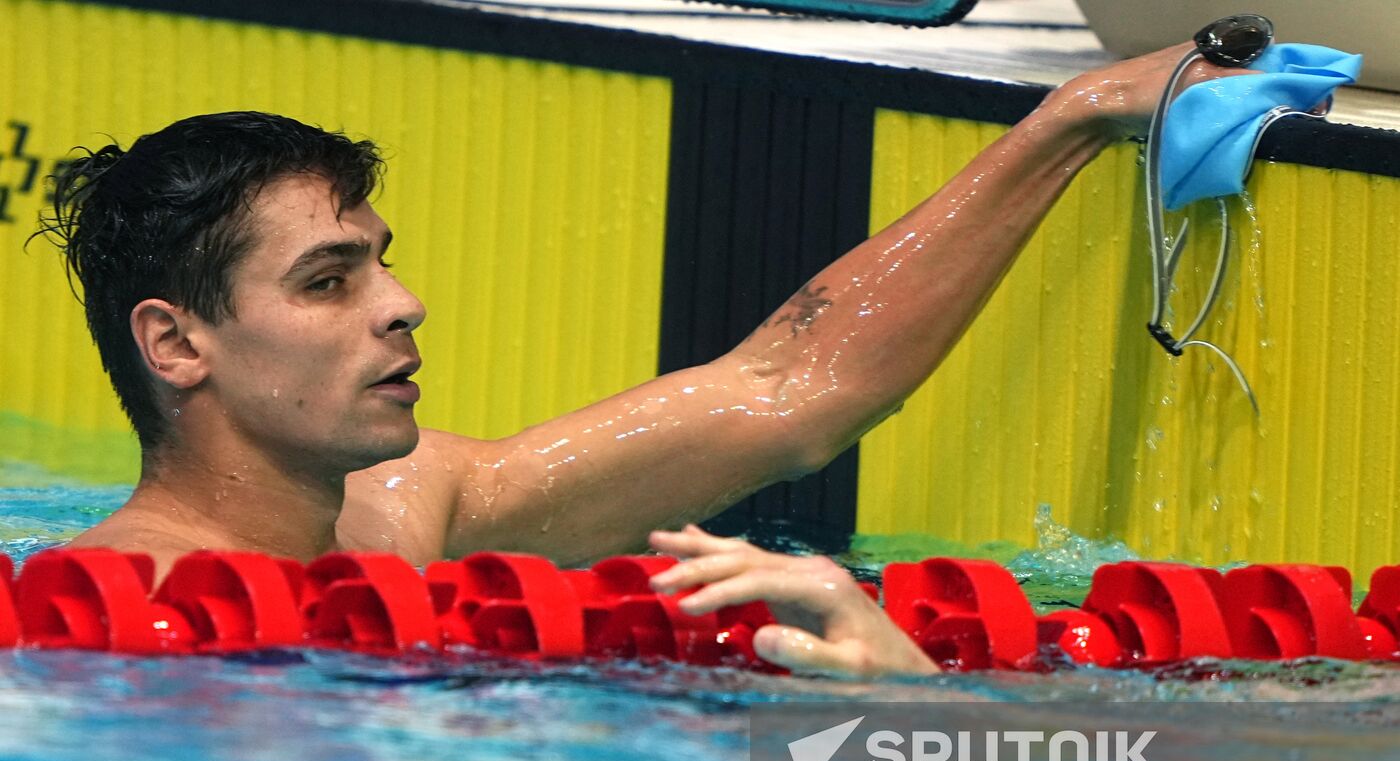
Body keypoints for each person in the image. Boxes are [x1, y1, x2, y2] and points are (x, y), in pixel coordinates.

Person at [40, 44, 1237, 677]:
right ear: (176, 343)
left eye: (379, 261)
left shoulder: (413, 507)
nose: (403, 306)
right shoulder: (100, 621)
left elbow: (779, 393)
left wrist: (1072, 120)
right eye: (328, 280)